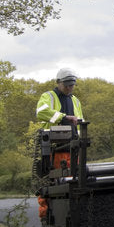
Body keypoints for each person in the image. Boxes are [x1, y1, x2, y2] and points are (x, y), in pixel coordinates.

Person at [34, 68, 84, 218]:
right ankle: (47, 216)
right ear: (58, 83)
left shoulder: (75, 100)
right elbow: (41, 113)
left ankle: (74, 211)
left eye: (72, 85)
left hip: (72, 148)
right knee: (52, 183)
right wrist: (64, 117)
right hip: (54, 149)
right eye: (67, 85)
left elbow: (79, 122)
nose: (70, 88)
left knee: (75, 179)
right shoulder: (48, 96)